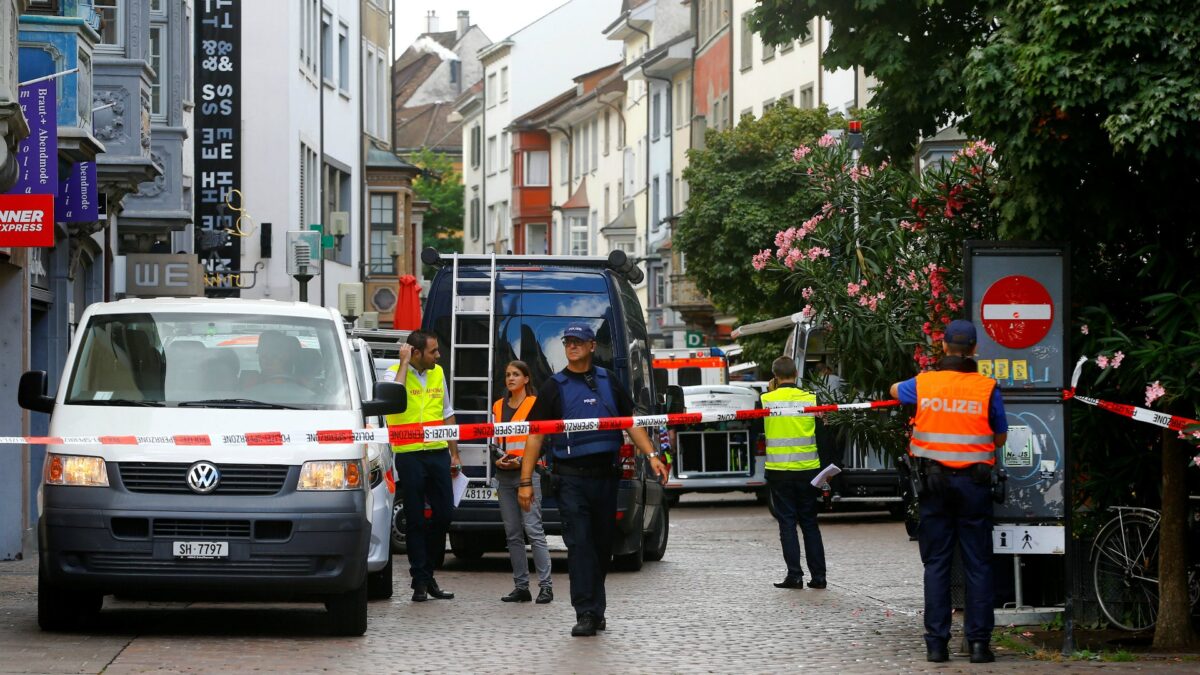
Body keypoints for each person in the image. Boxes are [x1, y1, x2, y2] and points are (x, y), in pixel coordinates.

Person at [517, 323, 669, 637]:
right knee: (581, 547)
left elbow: (631, 423)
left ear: (590, 347)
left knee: (601, 549)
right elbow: (535, 435)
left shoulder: (608, 381)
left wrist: (653, 456)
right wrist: (525, 481)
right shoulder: (552, 387)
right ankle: (586, 612)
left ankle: (595, 609)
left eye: (578, 342)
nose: (571, 346)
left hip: (606, 478)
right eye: (567, 342)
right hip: (570, 480)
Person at [889, 319, 1007, 664]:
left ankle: (936, 645)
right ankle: (979, 645)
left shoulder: (925, 383)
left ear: (943, 347)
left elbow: (895, 390)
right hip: (975, 484)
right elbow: (999, 436)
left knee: (937, 563)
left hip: (933, 484)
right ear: (973, 349)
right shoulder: (986, 387)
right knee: (979, 564)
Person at [384, 330, 462, 602]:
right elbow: (393, 400)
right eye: (433, 351)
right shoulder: (393, 372)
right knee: (415, 519)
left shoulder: (438, 373)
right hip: (409, 455)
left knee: (443, 515)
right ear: (415, 353)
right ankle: (420, 580)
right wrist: (404, 363)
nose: (438, 356)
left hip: (438, 452)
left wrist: (455, 453)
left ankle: (427, 574)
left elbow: (447, 413)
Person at [760, 356, 827, 591]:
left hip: (779, 471)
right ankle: (819, 577)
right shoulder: (810, 398)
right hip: (808, 470)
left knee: (787, 524)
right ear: (796, 373)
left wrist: (772, 389)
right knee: (810, 523)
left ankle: (795, 576)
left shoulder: (766, 399)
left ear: (775, 376)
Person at [492, 360, 553, 604]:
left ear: (526, 379)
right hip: (504, 475)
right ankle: (521, 587)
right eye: (507, 374)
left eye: (516, 374)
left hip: (528, 474)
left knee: (534, 530)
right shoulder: (498, 405)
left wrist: (521, 463)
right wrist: (498, 460)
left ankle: (546, 586)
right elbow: (493, 439)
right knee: (513, 534)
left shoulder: (535, 404)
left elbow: (542, 441)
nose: (510, 378)